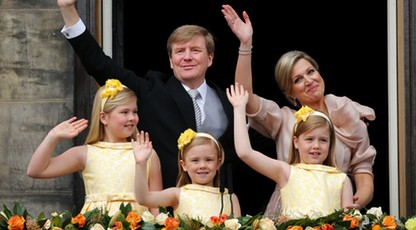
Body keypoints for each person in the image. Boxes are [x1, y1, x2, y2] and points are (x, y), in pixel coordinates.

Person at [56, 0, 270, 214]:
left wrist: (245, 45)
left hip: (219, 213)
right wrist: (68, 9)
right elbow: (99, 64)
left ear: (210, 58)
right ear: (170, 61)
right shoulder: (151, 91)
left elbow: (246, 97)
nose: (187, 57)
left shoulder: (228, 100)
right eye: (179, 51)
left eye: (195, 50)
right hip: (167, 214)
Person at [221, 5, 376, 211]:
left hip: (337, 208)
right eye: (298, 79)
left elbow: (364, 172)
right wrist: (245, 44)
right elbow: (245, 96)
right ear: (290, 92)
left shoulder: (347, 113)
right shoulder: (283, 119)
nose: (309, 80)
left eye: (311, 71)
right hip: (289, 212)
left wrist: (353, 204)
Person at [27, 79, 162, 216]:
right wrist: (53, 136)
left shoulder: (147, 153)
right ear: (103, 118)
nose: (132, 117)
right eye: (124, 112)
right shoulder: (85, 153)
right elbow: (36, 170)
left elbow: (157, 206)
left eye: (135, 111)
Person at [227, 83, 353, 220]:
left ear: (330, 144)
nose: (316, 145)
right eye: (309, 139)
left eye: (323, 140)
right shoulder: (286, 172)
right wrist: (239, 109)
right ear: (296, 142)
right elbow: (245, 152)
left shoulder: (342, 179)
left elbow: (347, 222)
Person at [132, 128, 241, 222]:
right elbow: (144, 198)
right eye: (195, 160)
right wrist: (141, 164)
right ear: (183, 165)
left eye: (209, 160)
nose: (202, 165)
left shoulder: (230, 198)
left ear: (218, 163)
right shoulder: (177, 194)